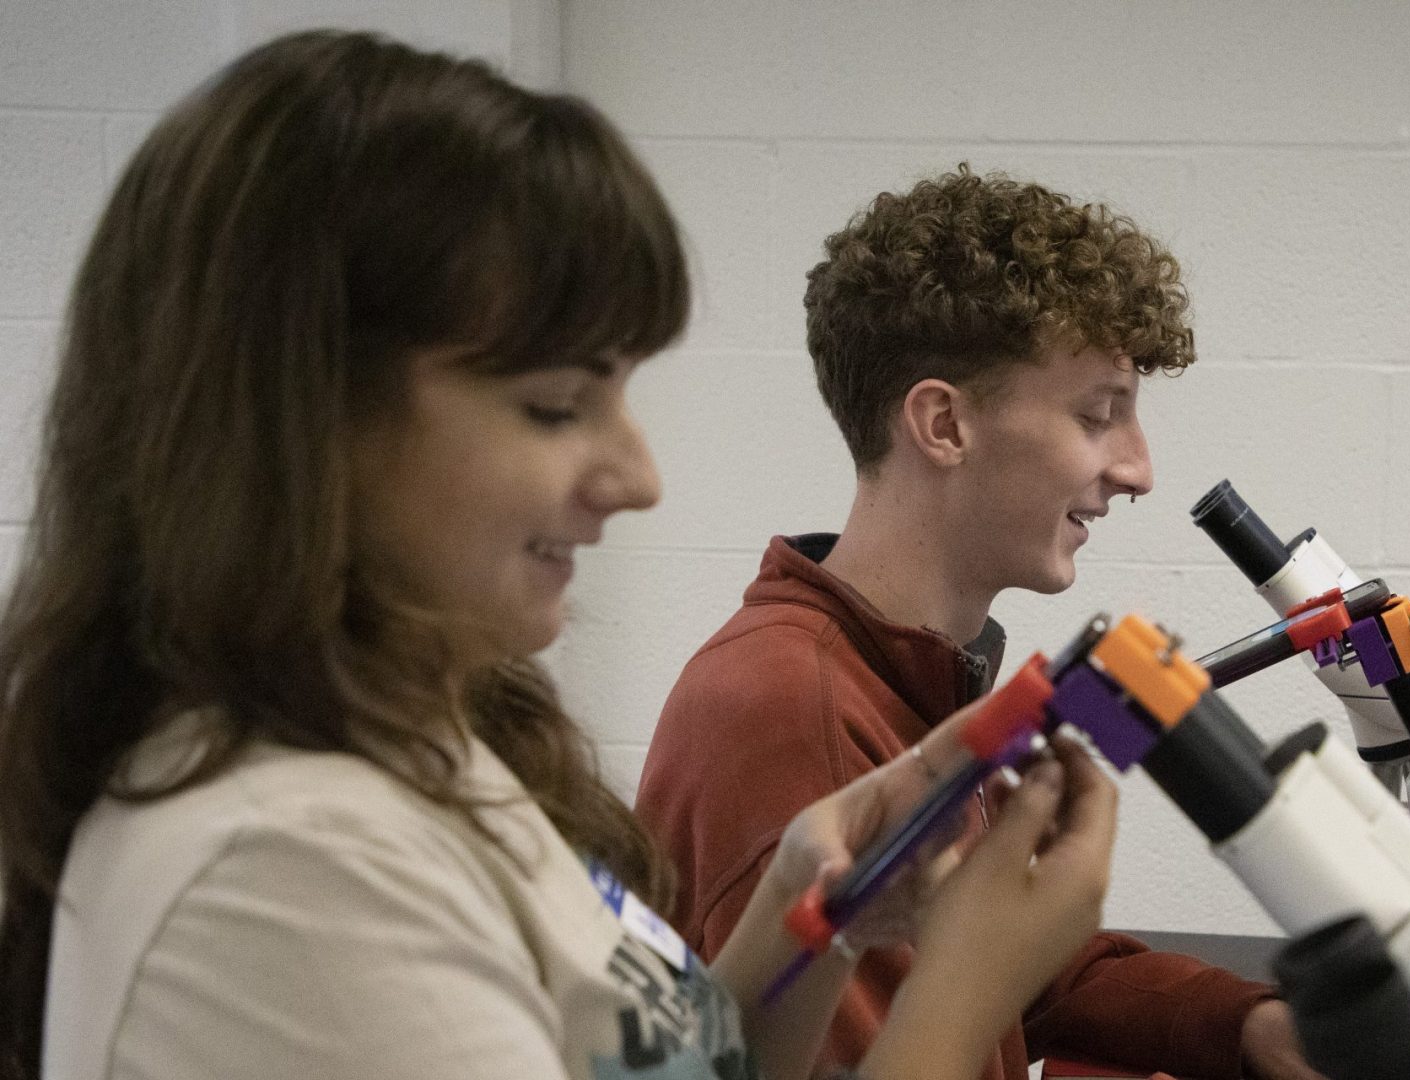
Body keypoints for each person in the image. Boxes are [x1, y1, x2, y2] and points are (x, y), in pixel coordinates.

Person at [0, 32, 1118, 1080]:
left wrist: (804, 919)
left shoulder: (422, 746)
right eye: (552, 407)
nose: (637, 480)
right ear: (300, 422)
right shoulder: (283, 872)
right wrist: (965, 989)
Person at [638, 168, 1323, 1079]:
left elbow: (1018, 981)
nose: (1138, 469)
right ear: (944, 425)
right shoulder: (793, 712)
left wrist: (1250, 1027)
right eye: (1098, 414)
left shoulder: (903, 675)